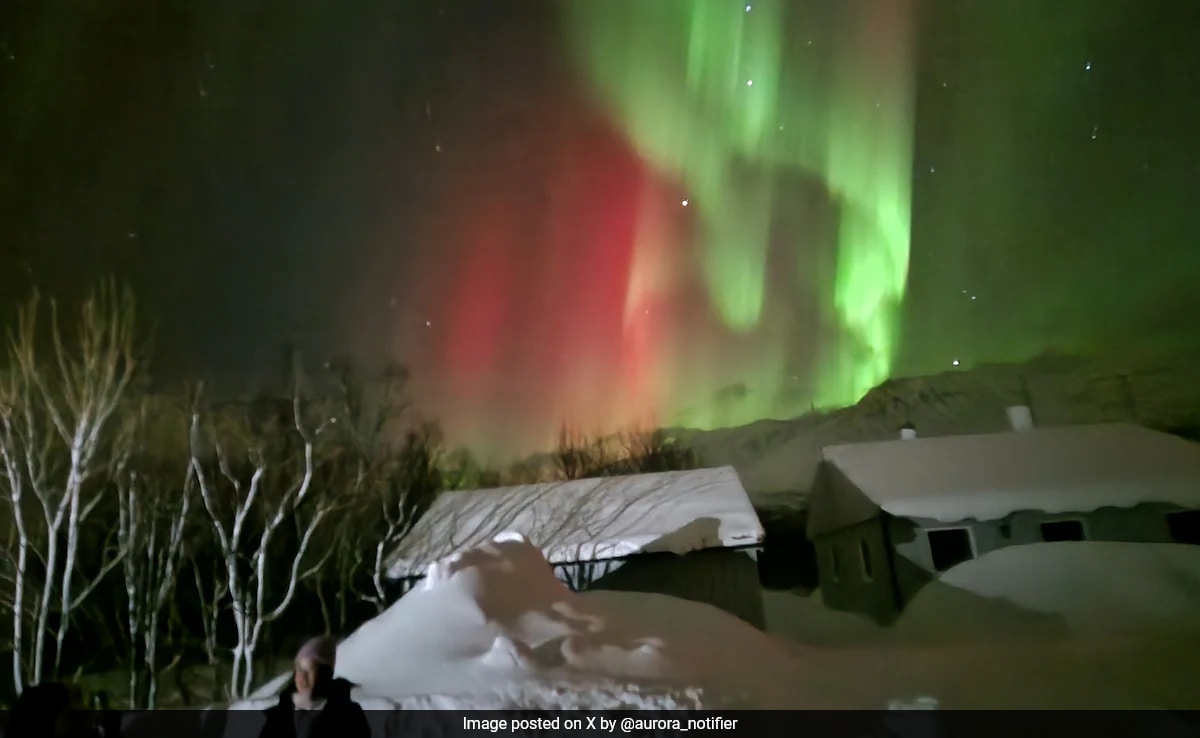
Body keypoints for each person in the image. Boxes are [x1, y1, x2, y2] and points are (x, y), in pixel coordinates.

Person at [257, 636, 371, 738]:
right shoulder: (278, 716)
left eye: (308, 670)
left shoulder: (350, 716)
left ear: (324, 674)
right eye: (299, 669)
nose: (302, 676)